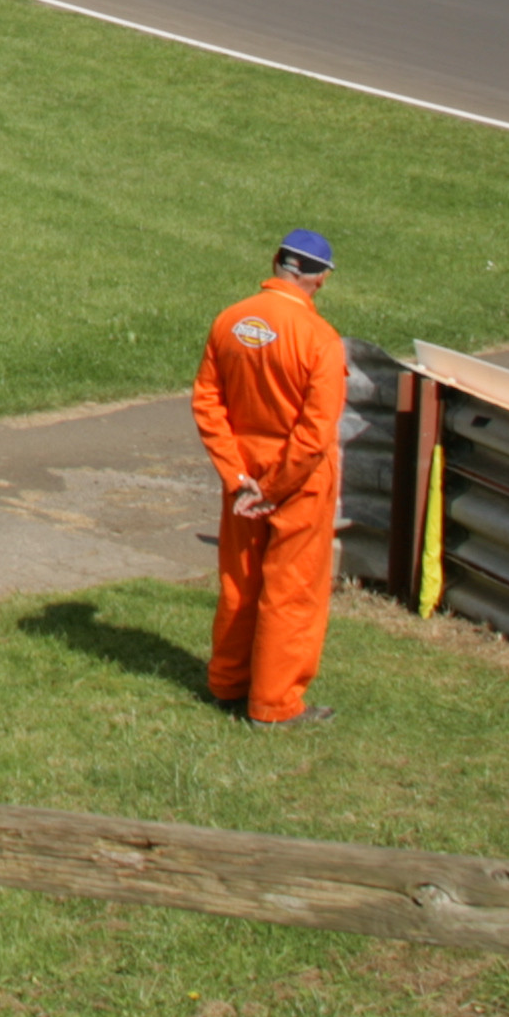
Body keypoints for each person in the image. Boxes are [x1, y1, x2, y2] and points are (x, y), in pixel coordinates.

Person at [194, 228, 349, 729]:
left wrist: (238, 477)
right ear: (320, 279)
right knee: (291, 591)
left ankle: (227, 683)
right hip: (296, 483)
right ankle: (274, 705)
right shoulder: (319, 339)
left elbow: (208, 404)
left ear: (278, 263)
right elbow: (316, 431)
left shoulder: (230, 320)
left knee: (239, 582)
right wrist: (275, 486)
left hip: (242, 476)